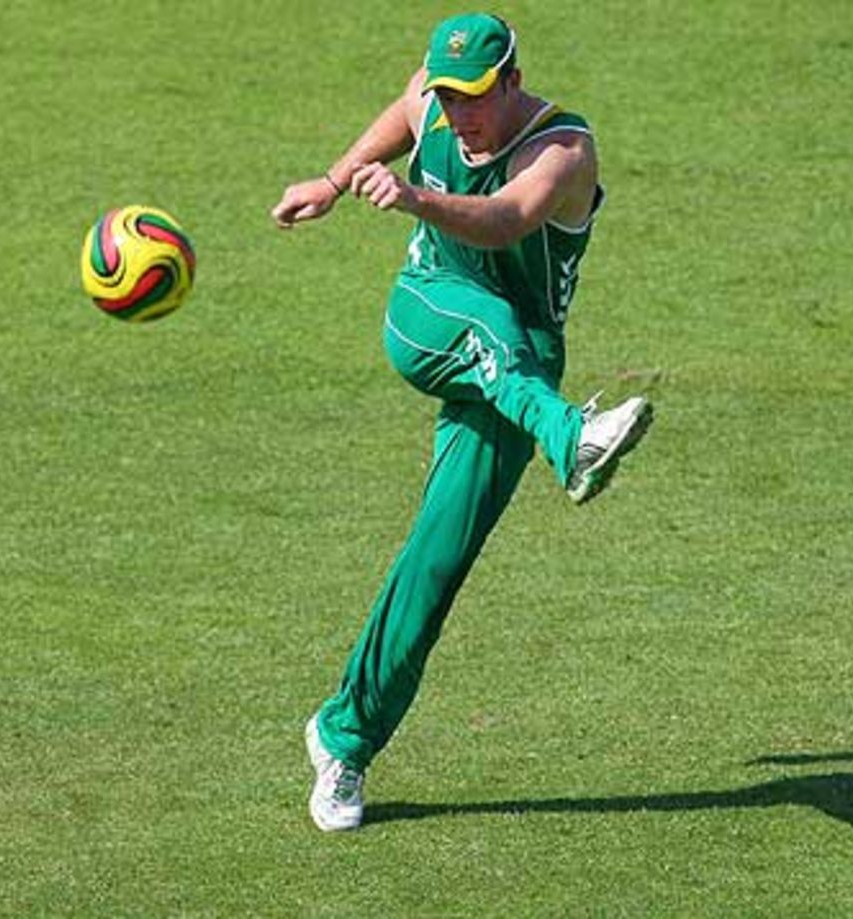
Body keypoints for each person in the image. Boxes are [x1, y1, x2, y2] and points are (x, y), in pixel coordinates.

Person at [270, 12, 652, 832]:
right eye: (449, 94)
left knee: (433, 565)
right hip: (427, 316)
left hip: (517, 374)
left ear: (513, 81)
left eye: (475, 96)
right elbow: (404, 110)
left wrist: (413, 194)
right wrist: (334, 183)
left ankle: (342, 737)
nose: (458, 113)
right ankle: (571, 440)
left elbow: (509, 219)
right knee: (490, 332)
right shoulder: (434, 101)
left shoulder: (563, 152)